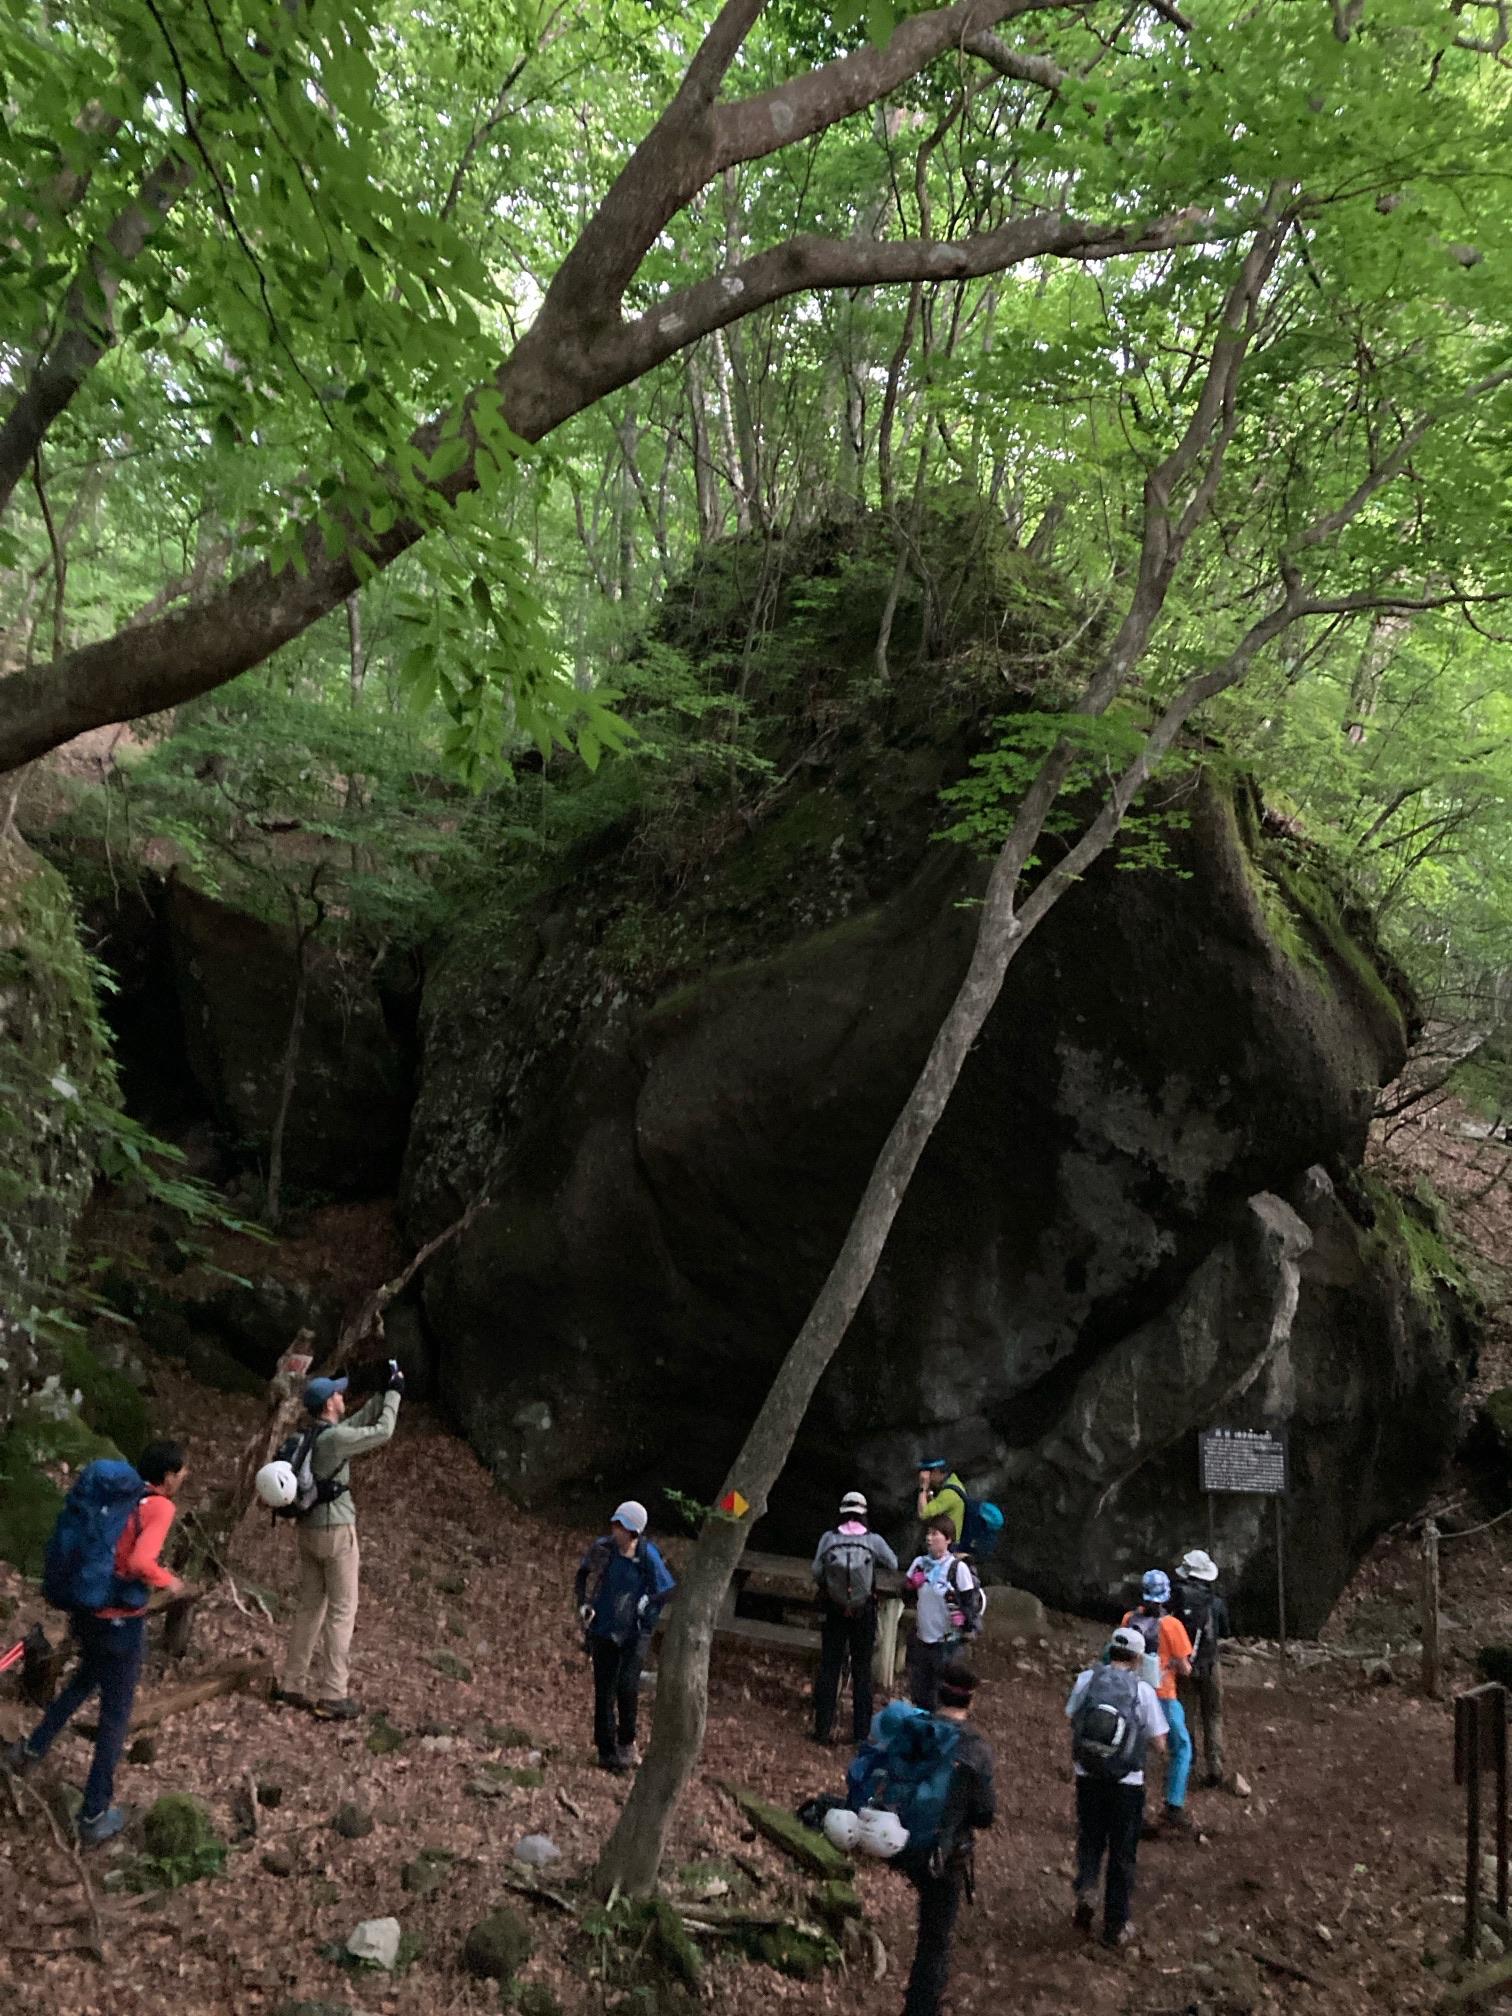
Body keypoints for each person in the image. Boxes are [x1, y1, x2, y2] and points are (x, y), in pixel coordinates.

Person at [3, 1440, 189, 1844]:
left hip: (88, 1611)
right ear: (168, 1476)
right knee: (115, 1718)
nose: (185, 1476)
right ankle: (93, 1814)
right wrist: (169, 1582)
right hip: (120, 1624)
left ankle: (29, 1751)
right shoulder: (160, 1507)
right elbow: (140, 1562)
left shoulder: (122, 1495)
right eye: (182, 1470)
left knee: (83, 1680)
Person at [273, 1365, 403, 1720]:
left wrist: (382, 1393)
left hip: (309, 1530)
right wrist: (395, 1395)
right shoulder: (334, 1439)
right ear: (330, 1403)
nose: (342, 1396)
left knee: (309, 1608)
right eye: (338, 1393)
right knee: (342, 1611)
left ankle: (292, 1683)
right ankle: (333, 1693)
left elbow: (356, 1424)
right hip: (337, 1531)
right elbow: (382, 1432)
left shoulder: (315, 1435)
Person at [895, 1662, 996, 2016]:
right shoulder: (976, 1749)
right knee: (935, 1939)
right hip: (942, 1853)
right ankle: (921, 2008)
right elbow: (985, 1814)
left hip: (895, 1838)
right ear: (971, 1701)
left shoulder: (913, 1728)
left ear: (938, 1695)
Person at [1066, 1624, 1169, 1950]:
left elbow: (1072, 1716)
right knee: (1122, 1852)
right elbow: (1159, 1743)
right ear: (1138, 1658)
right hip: (1127, 1782)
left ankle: (1086, 1888)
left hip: (1088, 1775)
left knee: (1090, 1838)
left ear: (1110, 1650)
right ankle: (1115, 1925)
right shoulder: (1142, 1691)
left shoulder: (1087, 1679)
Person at [574, 1500, 676, 1772]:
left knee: (627, 1686)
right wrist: (584, 1604)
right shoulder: (603, 1549)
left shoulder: (647, 1556)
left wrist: (647, 1603)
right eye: (616, 1525)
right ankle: (606, 1752)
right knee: (604, 1690)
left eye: (624, 1527)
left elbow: (666, 1590)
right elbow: (583, 1575)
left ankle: (626, 1743)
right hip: (603, 1628)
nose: (617, 1531)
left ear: (635, 1531)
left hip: (634, 1632)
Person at [810, 1489, 898, 1746]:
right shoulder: (873, 1540)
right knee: (862, 1671)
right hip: (863, 1610)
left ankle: (822, 1730)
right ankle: (861, 1733)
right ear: (864, 1513)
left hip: (834, 1609)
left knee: (829, 1667)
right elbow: (892, 1563)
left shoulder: (828, 1538)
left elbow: (816, 1571)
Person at [1122, 1567, 1193, 1833]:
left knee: (1135, 1752)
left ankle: (1134, 1811)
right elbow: (1185, 1668)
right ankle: (1173, 1805)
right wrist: (1174, 1663)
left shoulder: (1129, 1619)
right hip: (1163, 1695)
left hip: (1133, 1693)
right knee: (1181, 1747)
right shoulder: (1172, 1625)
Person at [905, 1518, 983, 1710]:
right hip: (922, 1639)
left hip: (947, 1642)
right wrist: (911, 1585)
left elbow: (969, 1603)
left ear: (948, 1539)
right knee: (919, 1692)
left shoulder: (957, 1568)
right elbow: (906, 1596)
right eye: (928, 1533)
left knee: (941, 1693)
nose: (929, 1538)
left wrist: (964, 1620)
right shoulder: (919, 1564)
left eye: (935, 1534)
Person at [1173, 1548, 1230, 1787]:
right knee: (1213, 1714)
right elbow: (1224, 1631)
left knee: (1187, 1713)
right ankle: (1215, 1766)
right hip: (1210, 1663)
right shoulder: (1215, 1602)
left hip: (1184, 1663)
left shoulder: (1176, 1598)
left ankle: (1186, 1762)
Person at [913, 1457, 967, 1549]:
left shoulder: (949, 1493)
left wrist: (923, 1487)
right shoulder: (953, 1481)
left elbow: (923, 1514)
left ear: (936, 1471)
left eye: (927, 1473)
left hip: (949, 1546)